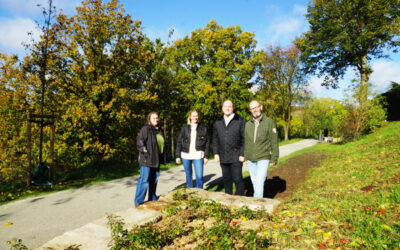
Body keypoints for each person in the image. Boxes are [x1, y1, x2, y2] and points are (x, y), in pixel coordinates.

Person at [244, 100, 279, 198]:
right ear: (250, 110)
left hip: (264, 156)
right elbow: (246, 142)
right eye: (252, 108)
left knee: (259, 181)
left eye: (256, 107)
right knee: (255, 181)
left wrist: (274, 158)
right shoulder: (248, 125)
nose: (254, 110)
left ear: (261, 107)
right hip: (251, 158)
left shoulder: (269, 122)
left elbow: (274, 141)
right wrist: (245, 158)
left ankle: (257, 205)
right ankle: (259, 200)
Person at [213, 100, 246, 195]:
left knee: (237, 179)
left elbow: (244, 138)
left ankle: (240, 200)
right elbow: (215, 139)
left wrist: (242, 153)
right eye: (225, 106)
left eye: (230, 106)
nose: (227, 108)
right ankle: (228, 199)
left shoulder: (240, 120)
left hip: (236, 155)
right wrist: (215, 153)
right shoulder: (218, 121)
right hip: (223, 156)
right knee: (226, 180)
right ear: (222, 108)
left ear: (233, 108)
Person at [134, 111, 165, 207]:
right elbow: (140, 142)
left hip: (156, 159)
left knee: (154, 179)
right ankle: (138, 201)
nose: (156, 119)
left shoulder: (160, 130)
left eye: (157, 118)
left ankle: (152, 197)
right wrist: (146, 153)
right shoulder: (146, 129)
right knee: (144, 180)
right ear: (149, 119)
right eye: (153, 118)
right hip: (146, 159)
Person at [176, 110, 210, 189]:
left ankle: (199, 193)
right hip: (185, 155)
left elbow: (207, 143)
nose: (195, 117)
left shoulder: (203, 128)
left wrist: (206, 156)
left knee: (199, 176)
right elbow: (179, 142)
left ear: (198, 117)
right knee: (188, 175)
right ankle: (190, 192)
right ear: (190, 117)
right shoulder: (184, 128)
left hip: (198, 155)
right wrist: (177, 156)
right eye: (193, 116)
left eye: (196, 116)